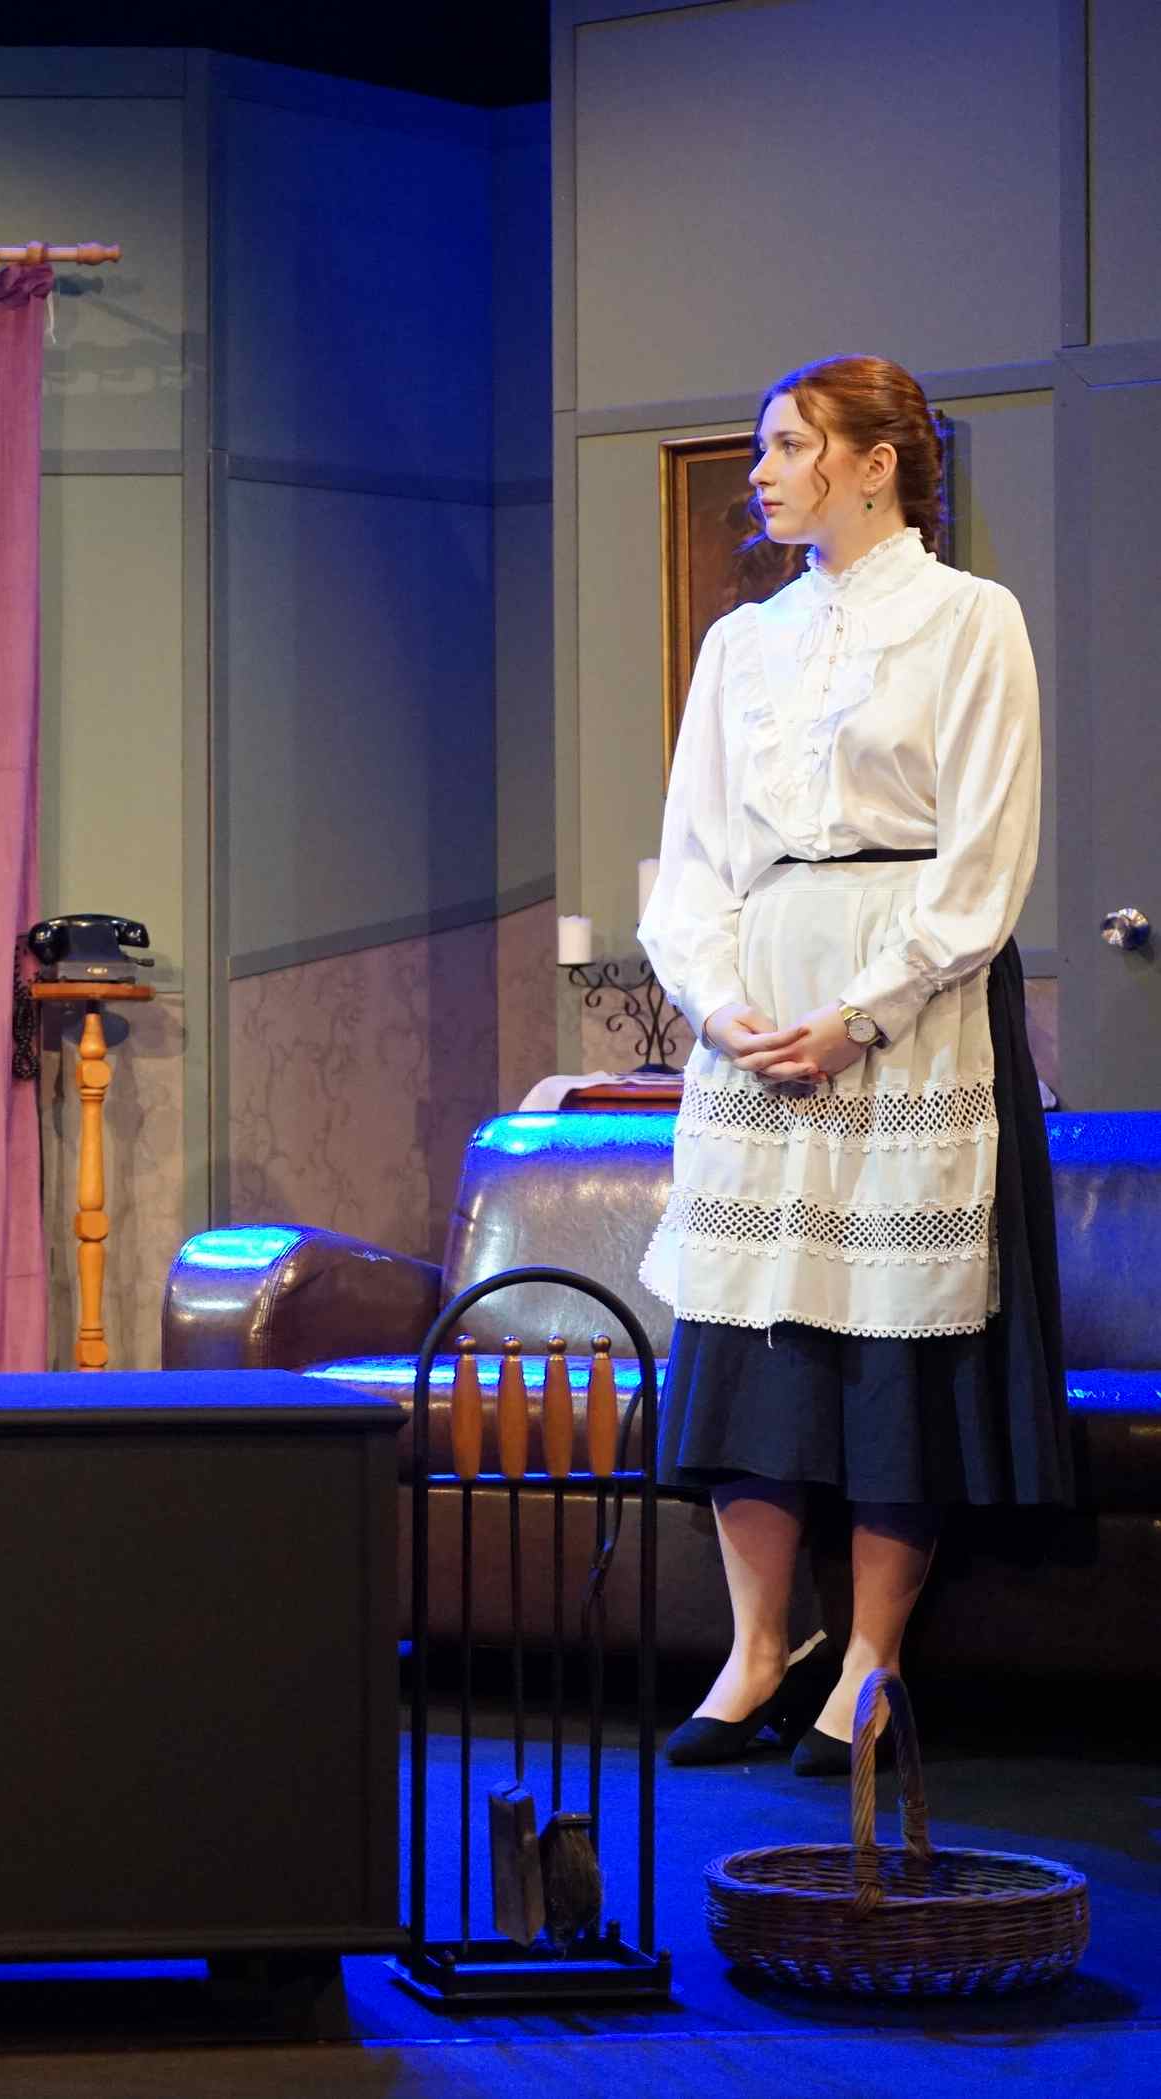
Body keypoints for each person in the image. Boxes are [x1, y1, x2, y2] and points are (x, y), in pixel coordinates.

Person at [638, 354, 1072, 1775]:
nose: (759, 473)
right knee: (749, 1334)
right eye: (762, 447)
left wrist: (862, 1010)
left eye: (786, 446)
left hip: (909, 1000)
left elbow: (985, 860)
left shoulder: (967, 619)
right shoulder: (741, 641)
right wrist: (715, 1003)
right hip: (760, 1005)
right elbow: (691, 857)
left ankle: (870, 1659)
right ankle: (759, 1645)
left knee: (891, 1342)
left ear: (874, 462)